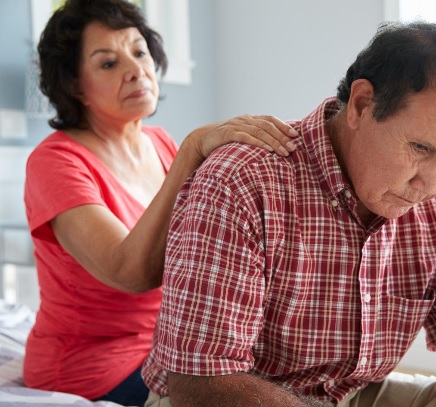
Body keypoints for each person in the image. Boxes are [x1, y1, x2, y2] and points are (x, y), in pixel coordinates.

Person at [142, 21, 436, 406]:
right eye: (421, 148)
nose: (430, 185)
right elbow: (200, 382)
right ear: (361, 104)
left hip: (353, 392)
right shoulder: (242, 180)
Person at [22, 0, 299, 405]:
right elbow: (130, 273)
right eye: (108, 63)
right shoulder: (55, 162)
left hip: (170, 346)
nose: (136, 70)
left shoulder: (160, 143)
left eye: (139, 52)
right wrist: (193, 149)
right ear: (76, 86)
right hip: (93, 368)